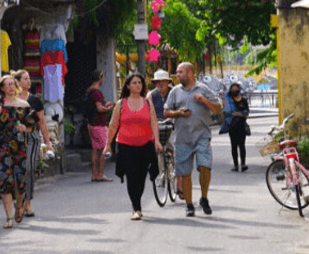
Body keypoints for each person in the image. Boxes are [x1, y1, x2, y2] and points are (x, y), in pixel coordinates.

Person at [164, 62, 222, 217]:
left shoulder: (203, 89)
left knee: (205, 166)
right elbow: (166, 112)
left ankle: (204, 198)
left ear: (190, 73)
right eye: (177, 72)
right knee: (185, 172)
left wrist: (205, 101)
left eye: (180, 72)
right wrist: (178, 113)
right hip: (182, 137)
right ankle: (189, 205)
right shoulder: (175, 92)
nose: (177, 75)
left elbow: (218, 108)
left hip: (202, 136)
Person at [103, 73, 162, 220]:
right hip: (125, 145)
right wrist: (107, 145)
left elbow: (154, 122)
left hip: (145, 145)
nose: (138, 85)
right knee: (131, 176)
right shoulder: (121, 104)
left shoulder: (147, 103)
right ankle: (136, 208)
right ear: (128, 86)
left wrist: (157, 141)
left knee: (141, 176)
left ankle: (137, 202)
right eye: (134, 83)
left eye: (140, 83)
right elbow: (113, 125)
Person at [0, 75, 36, 229]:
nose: (11, 87)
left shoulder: (24, 105)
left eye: (13, 84)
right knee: (4, 180)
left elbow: (32, 126)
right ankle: (8, 217)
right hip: (3, 145)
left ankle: (19, 206)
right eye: (7, 85)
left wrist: (24, 128)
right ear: (2, 88)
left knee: (20, 181)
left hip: (20, 145)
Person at [12, 69, 54, 217]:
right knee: (17, 170)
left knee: (29, 169)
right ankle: (19, 201)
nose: (28, 81)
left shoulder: (34, 100)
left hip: (32, 138)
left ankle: (27, 203)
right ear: (17, 82)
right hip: (15, 139)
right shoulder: (11, 100)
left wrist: (48, 143)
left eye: (29, 78)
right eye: (25, 79)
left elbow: (42, 122)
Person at [86, 69, 114, 182]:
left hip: (91, 124)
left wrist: (104, 105)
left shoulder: (89, 91)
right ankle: (100, 174)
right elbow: (99, 108)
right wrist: (107, 108)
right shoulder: (97, 92)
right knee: (104, 149)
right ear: (99, 78)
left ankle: (94, 174)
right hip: (99, 124)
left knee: (95, 149)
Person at [226, 83, 250, 172]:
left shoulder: (243, 100)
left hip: (241, 126)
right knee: (234, 146)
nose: (234, 90)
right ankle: (236, 165)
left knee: (242, 145)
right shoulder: (229, 101)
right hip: (232, 127)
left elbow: (247, 112)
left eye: (236, 89)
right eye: (233, 89)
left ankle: (243, 164)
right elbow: (225, 113)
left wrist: (239, 114)